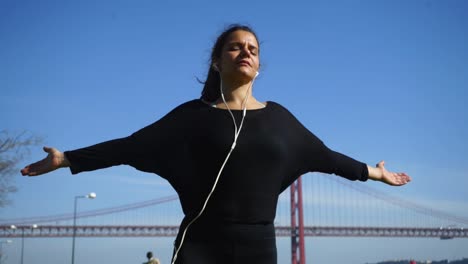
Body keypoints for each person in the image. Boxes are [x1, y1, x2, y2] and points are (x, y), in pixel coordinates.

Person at [20, 24, 411, 264]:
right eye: (236, 47)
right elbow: (129, 146)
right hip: (200, 246)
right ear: (216, 61)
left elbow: (327, 157)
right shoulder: (191, 117)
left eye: (253, 49)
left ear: (259, 66)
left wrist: (375, 173)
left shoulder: (281, 120)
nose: (246, 52)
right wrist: (68, 159)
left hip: (260, 248)